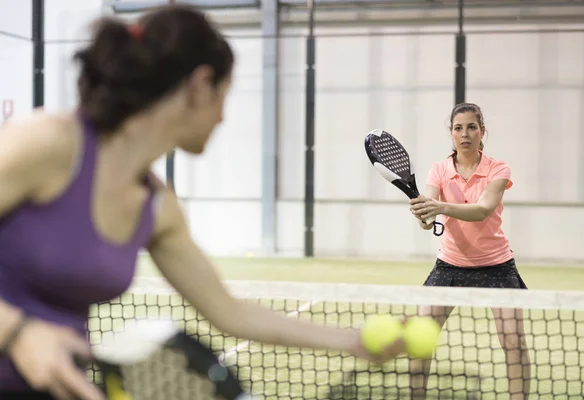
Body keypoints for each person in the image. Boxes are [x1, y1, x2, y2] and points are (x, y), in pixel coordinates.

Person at [0, 6, 404, 400]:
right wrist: (19, 331)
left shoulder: (157, 209)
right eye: (224, 95)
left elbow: (228, 311)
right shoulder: (49, 143)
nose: (223, 117)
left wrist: (352, 341)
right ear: (199, 84)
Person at [408, 103, 531, 400]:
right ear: (451, 133)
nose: (465, 134)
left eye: (471, 127)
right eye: (458, 128)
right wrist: (424, 215)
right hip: (450, 265)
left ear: (482, 131)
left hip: (497, 266)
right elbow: (429, 221)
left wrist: (438, 207)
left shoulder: (498, 169)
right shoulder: (438, 170)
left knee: (513, 340)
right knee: (419, 338)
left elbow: (483, 210)